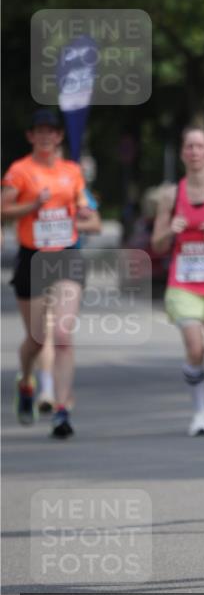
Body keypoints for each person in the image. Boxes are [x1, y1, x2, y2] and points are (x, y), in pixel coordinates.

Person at [1, 109, 92, 438]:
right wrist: (31, 206)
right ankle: (26, 381)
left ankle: (62, 408)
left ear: (59, 137)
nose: (45, 136)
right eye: (39, 131)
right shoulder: (20, 171)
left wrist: (83, 211)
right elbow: (3, 208)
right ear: (30, 136)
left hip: (66, 255)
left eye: (51, 132)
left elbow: (84, 206)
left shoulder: (72, 171)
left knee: (63, 337)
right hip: (32, 258)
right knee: (38, 339)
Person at [152, 126, 204, 437]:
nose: (195, 152)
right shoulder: (171, 195)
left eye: (200, 146)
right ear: (183, 153)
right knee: (194, 347)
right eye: (189, 147)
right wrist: (170, 229)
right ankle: (200, 414)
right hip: (183, 284)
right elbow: (157, 244)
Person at [36, 151, 102, 413]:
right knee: (43, 332)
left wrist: (72, 221)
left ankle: (57, 398)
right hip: (37, 260)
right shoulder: (31, 183)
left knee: (61, 332)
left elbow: (95, 224)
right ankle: (46, 388)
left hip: (68, 260)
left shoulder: (75, 186)